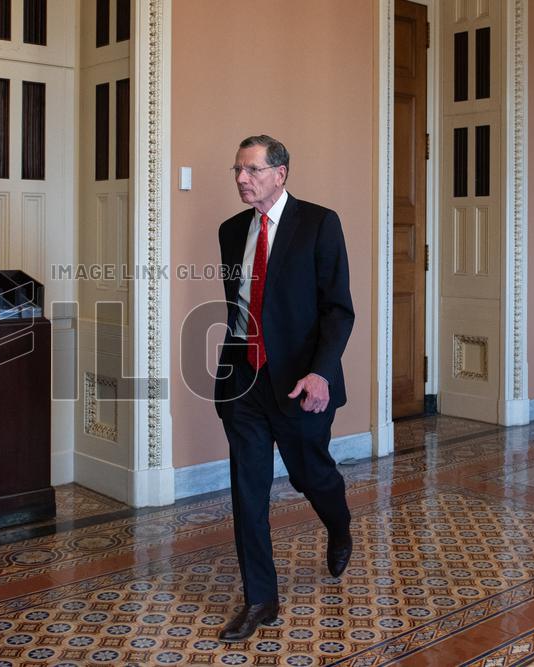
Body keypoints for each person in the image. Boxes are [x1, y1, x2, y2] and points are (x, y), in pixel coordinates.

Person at [213, 135, 355, 642]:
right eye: (237, 169)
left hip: (301, 382)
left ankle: (339, 528)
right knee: (247, 492)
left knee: (310, 475)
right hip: (245, 383)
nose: (240, 179)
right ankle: (260, 599)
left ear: (281, 173)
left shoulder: (319, 223)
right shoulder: (232, 231)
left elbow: (338, 309)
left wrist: (320, 372)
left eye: (250, 169)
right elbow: (239, 310)